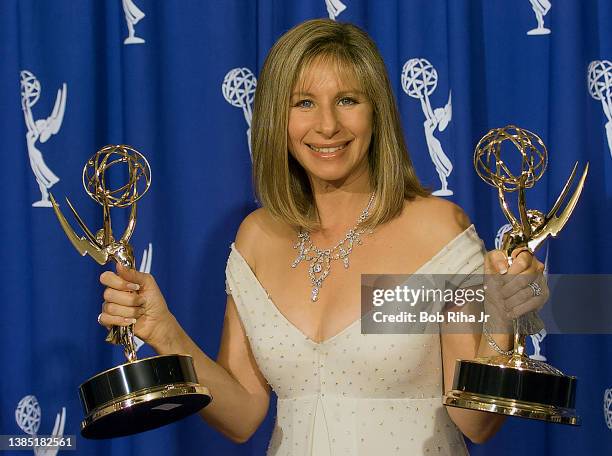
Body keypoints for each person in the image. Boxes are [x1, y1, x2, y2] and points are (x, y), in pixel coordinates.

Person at [98, 19, 548, 455]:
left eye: (348, 99)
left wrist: (500, 314)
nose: (328, 125)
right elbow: (241, 415)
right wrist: (165, 332)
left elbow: (478, 422)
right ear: (278, 116)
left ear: (378, 112)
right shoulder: (256, 237)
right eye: (304, 103)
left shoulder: (436, 230)